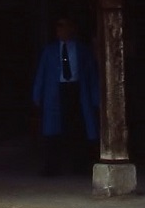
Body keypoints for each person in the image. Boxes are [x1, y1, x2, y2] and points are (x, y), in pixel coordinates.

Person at [32, 16, 99, 175]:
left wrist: (97, 98)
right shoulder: (49, 51)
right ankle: (52, 167)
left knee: (77, 127)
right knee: (53, 130)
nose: (62, 30)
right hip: (55, 91)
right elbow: (41, 74)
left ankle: (80, 166)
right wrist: (37, 95)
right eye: (59, 26)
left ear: (73, 28)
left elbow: (92, 75)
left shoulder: (82, 50)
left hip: (76, 90)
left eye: (66, 26)